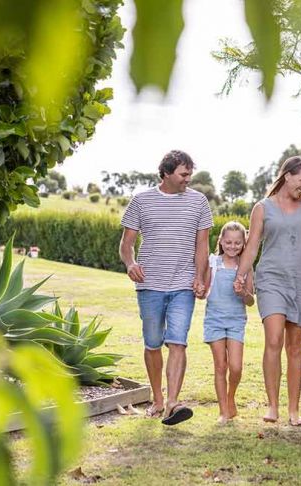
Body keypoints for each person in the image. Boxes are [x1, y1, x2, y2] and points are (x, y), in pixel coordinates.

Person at [119, 150, 213, 426]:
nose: (188, 179)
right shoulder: (141, 201)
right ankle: (157, 399)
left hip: (183, 284)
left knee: (178, 341)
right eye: (184, 174)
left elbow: (202, 246)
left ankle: (172, 403)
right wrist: (130, 264)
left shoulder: (199, 202)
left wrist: (200, 277)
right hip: (149, 285)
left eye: (189, 174)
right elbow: (127, 244)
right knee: (152, 343)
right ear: (167, 173)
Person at [235, 156, 301, 426]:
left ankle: (294, 409)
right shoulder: (262, 208)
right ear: (287, 175)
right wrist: (241, 275)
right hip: (272, 278)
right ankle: (273, 406)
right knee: (274, 340)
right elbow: (252, 245)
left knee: (295, 348)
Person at [203, 221, 254, 424]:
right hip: (214, 319)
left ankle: (230, 396)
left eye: (237, 243)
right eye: (229, 242)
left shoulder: (246, 267)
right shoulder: (212, 263)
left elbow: (250, 301)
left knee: (235, 367)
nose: (233, 246)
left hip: (236, 321)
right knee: (220, 366)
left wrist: (242, 292)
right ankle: (223, 410)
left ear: (244, 244)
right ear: (221, 241)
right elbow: (204, 291)